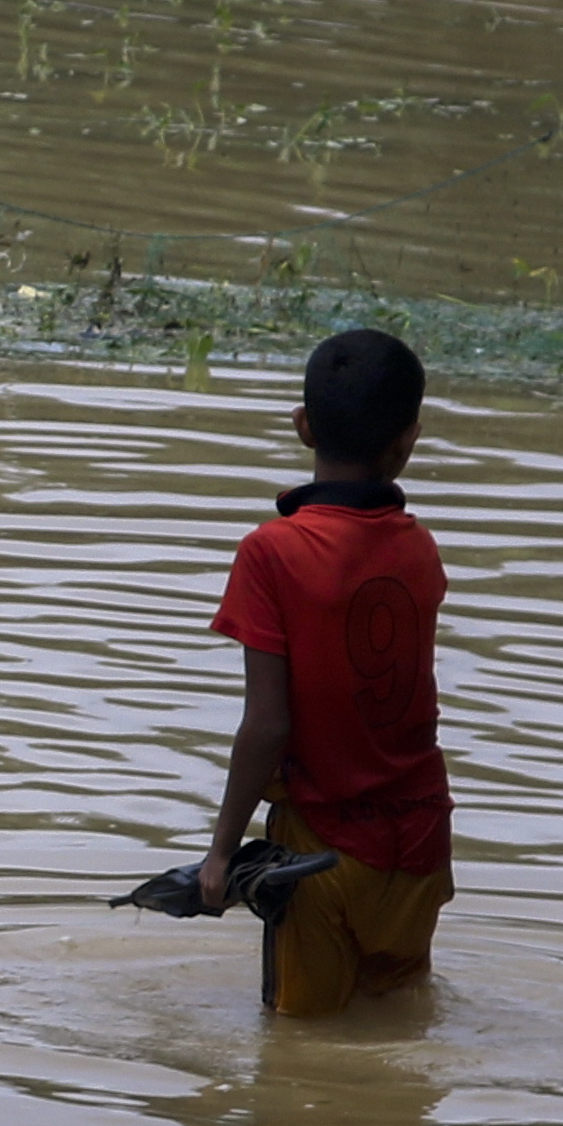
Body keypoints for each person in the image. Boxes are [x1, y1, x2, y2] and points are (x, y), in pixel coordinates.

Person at [185, 324, 455, 1017]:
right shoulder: (420, 549)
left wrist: (219, 855)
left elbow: (269, 722)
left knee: (302, 1050)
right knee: (398, 1018)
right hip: (421, 844)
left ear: (303, 425)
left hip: (323, 853)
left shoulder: (272, 553)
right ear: (410, 439)